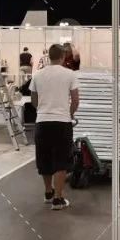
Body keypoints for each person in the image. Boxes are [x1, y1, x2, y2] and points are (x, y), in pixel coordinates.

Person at [30, 44, 79, 210]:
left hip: (42, 122)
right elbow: (75, 100)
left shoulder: (38, 75)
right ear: (63, 57)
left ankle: (48, 192)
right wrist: (69, 114)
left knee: (44, 158)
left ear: (49, 57)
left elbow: (33, 100)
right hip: (62, 122)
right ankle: (58, 199)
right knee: (61, 160)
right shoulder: (70, 74)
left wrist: (43, 110)